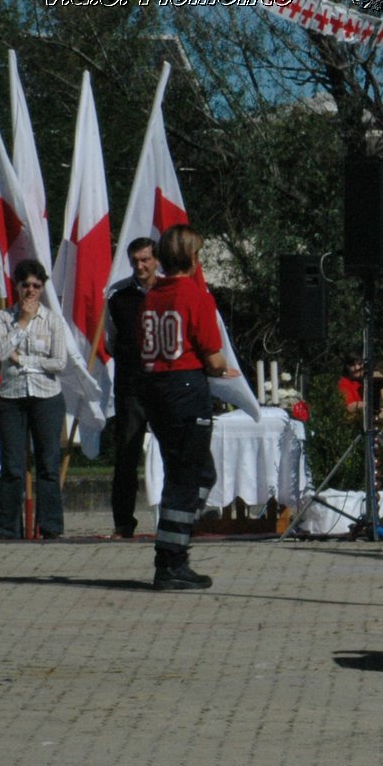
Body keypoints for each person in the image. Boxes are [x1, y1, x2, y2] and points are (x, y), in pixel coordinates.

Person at [141, 225, 239, 589]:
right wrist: (221, 369)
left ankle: (173, 548)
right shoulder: (195, 297)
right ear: (191, 259)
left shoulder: (151, 296)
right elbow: (213, 358)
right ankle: (171, 560)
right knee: (187, 479)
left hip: (156, 388)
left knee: (195, 474)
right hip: (185, 388)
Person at [0, 260, 69, 539]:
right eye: (26, 285)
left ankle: (50, 528)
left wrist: (23, 360)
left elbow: (59, 362)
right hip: (11, 397)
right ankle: (7, 531)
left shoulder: (52, 321)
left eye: (37, 285)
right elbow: (0, 352)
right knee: (12, 467)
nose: (31, 291)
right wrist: (22, 323)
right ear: (18, 286)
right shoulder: (3, 318)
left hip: (46, 396)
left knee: (48, 464)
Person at [105, 237, 159, 538]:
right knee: (126, 454)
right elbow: (111, 342)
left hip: (165, 385)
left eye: (145, 260)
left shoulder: (170, 291)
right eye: (135, 261)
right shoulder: (118, 296)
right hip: (131, 387)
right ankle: (123, 522)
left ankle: (177, 518)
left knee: (173, 452)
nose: (140, 266)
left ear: (156, 260)